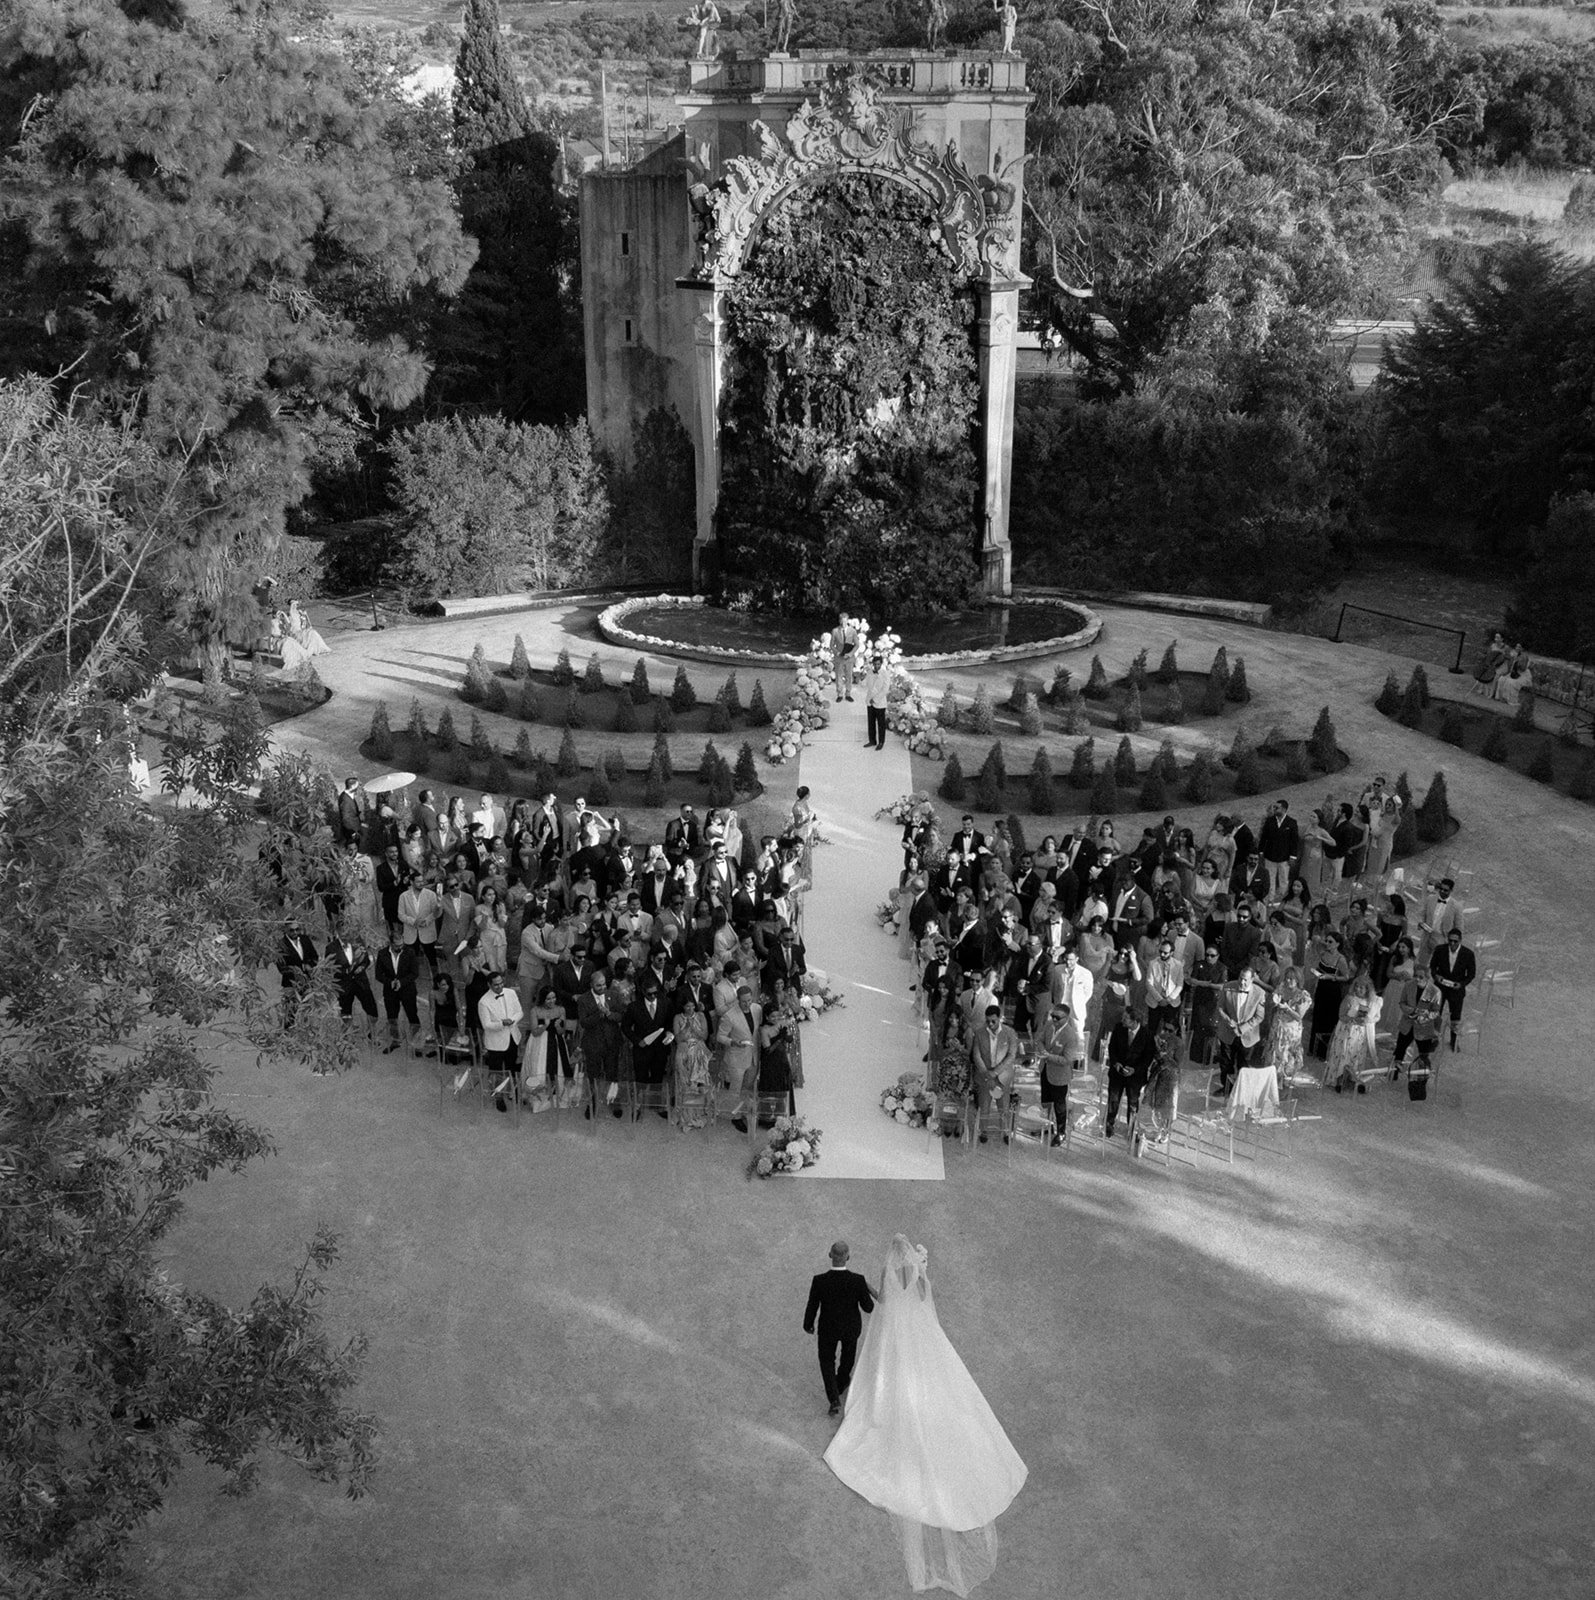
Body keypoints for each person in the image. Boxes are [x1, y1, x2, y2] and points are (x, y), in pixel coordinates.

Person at [823, 1236, 1027, 1599]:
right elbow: (921, 1298)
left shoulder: (887, 1269)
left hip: (893, 1329)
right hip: (917, 1327)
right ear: (911, 1254)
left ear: (891, 1255)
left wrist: (867, 1284)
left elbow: (883, 1301)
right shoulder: (916, 1268)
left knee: (885, 1370)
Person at [804, 1240, 876, 1416]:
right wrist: (865, 1288)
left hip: (828, 1328)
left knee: (826, 1361)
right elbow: (868, 1308)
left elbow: (812, 1304)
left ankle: (834, 1398)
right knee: (848, 1357)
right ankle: (842, 1381)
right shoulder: (858, 1280)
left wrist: (808, 1324)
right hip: (851, 1328)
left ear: (830, 1255)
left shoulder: (819, 1281)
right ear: (848, 1257)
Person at [1105, 1005, 1157, 1140]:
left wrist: (1135, 1069)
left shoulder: (1147, 1035)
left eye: (1126, 1018)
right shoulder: (1119, 1028)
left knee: (1133, 1102)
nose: (1122, 1020)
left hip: (1135, 1075)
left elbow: (1148, 1058)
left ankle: (1132, 1127)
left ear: (1135, 1021)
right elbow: (1112, 1048)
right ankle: (1109, 1123)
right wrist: (1115, 1062)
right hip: (1118, 1071)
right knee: (1113, 1098)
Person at [1214, 964, 1266, 1096]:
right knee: (1226, 1063)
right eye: (1240, 978)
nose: (1242, 982)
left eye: (1245, 980)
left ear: (1252, 980)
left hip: (1248, 1035)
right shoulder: (1228, 987)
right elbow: (1220, 1007)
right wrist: (1228, 1021)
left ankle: (1243, 1093)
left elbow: (1259, 1016)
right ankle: (1226, 1089)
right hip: (1227, 1032)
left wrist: (1242, 1028)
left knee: (1245, 1066)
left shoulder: (1260, 993)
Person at [1326, 971, 1381, 1092]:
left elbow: (1377, 1017)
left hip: (1361, 1035)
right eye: (1356, 986)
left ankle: (1354, 1079)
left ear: (1367, 989)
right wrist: (1353, 1019)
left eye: (1361, 987)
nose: (1358, 989)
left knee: (1357, 1058)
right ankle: (1339, 1081)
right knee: (1343, 1055)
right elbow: (1341, 1016)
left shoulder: (1374, 1001)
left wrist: (1368, 1019)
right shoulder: (1350, 998)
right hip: (1347, 1032)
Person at [478, 971, 524, 1113]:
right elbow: (486, 1025)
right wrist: (502, 1023)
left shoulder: (510, 993)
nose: (500, 986)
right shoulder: (483, 1002)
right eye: (496, 985)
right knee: (496, 1072)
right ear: (489, 985)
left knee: (511, 1067)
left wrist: (513, 1021)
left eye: (501, 983)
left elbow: (520, 1012)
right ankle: (498, 1097)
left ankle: (511, 1091)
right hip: (495, 1043)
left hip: (512, 1037)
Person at [1261, 965, 1310, 1096]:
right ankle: (1272, 1087)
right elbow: (1272, 1004)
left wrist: (1287, 1008)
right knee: (1273, 1057)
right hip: (1277, 1029)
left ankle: (1284, 1090)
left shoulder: (1303, 995)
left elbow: (1299, 1016)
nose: (1288, 981)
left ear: (1298, 980)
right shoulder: (1281, 989)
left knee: (1286, 1060)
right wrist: (1273, 1002)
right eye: (1287, 978)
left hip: (1290, 1032)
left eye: (1292, 979)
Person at [1428, 927, 1476, 1050]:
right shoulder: (1440, 950)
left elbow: (1471, 974)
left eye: (1455, 941)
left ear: (1460, 941)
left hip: (1456, 989)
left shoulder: (1468, 954)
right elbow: (1433, 966)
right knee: (1436, 1013)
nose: (1452, 944)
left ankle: (1454, 1041)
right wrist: (1436, 976)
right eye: (1450, 941)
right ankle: (1433, 1038)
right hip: (1441, 987)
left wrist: (1462, 984)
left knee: (1455, 1016)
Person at [864, 652, 891, 750]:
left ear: (881, 664)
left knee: (881, 724)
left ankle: (881, 742)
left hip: (879, 702)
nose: (876, 666)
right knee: (870, 722)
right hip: (869, 701)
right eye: (875, 664)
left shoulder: (885, 674)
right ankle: (872, 741)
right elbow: (866, 685)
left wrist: (875, 699)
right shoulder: (869, 672)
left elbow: (885, 689)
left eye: (878, 664)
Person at [831, 613, 858, 701]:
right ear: (839, 621)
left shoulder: (852, 631)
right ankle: (839, 694)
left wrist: (850, 654)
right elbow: (831, 645)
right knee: (839, 675)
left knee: (849, 676)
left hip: (849, 657)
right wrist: (836, 652)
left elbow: (857, 645)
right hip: (839, 657)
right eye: (842, 622)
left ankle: (848, 693)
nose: (844, 623)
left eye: (845, 621)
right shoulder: (835, 631)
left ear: (848, 621)